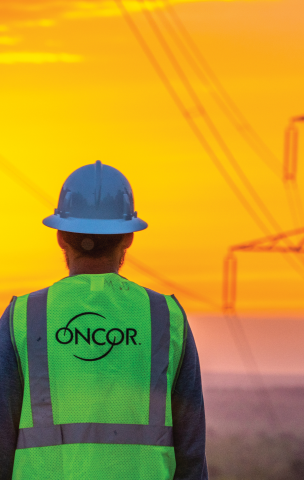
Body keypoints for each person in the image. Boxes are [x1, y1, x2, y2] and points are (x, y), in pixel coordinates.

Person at [0, 161, 208, 479]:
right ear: (128, 238)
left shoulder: (23, 316)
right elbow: (190, 447)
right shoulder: (165, 316)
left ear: (59, 236)